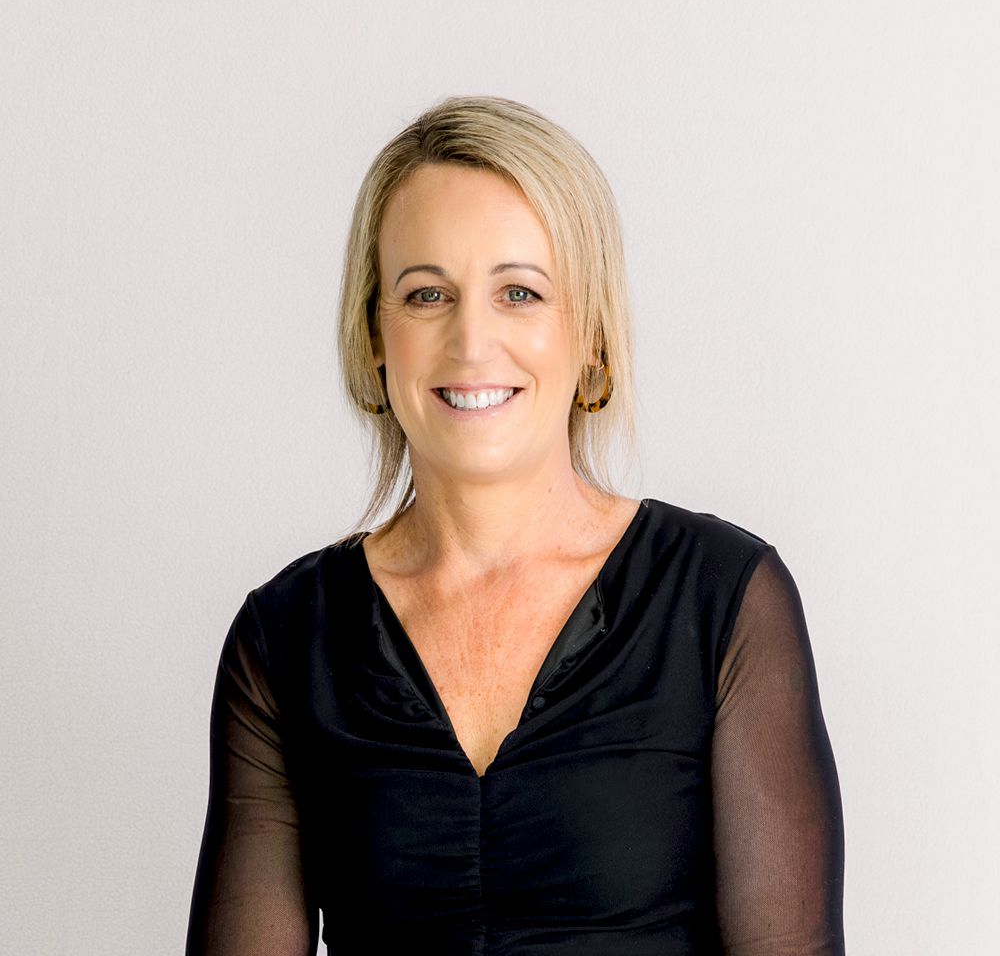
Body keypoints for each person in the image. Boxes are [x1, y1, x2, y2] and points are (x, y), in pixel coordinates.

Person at [186, 95, 845, 955]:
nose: (471, 341)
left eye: (520, 293)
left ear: (593, 338)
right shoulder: (284, 638)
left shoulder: (722, 600)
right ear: (375, 336)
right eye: (427, 294)